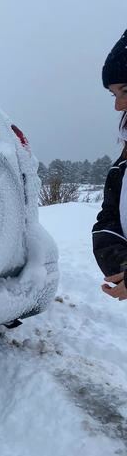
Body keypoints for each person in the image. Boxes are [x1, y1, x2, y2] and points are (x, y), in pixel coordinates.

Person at [93, 29, 127, 301]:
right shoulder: (123, 164)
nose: (118, 106)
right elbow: (109, 221)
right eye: (113, 94)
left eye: (125, 90)